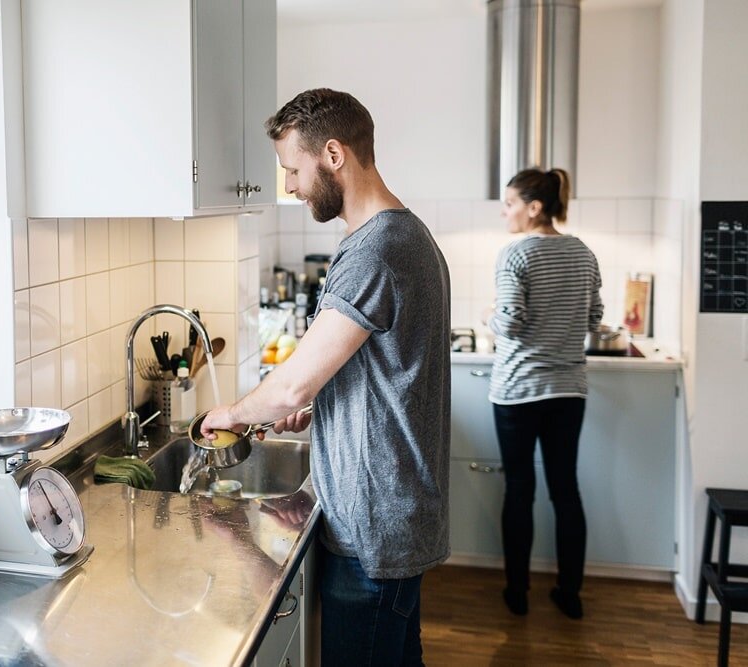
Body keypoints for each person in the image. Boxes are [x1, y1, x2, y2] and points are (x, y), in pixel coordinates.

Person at [200, 88, 451, 665]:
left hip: (374, 528)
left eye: (293, 168)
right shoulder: (398, 234)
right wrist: (328, 409)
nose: (288, 185)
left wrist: (232, 414)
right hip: (384, 515)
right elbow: (386, 373)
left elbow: (292, 384)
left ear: (333, 154)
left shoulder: (376, 250)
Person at [486, 168, 604, 620]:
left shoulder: (516, 255)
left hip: (518, 391)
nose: (504, 212)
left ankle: (518, 593)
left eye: (510, 203)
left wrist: (487, 315)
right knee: (565, 490)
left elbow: (510, 322)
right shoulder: (583, 253)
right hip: (568, 390)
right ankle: (568, 594)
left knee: (519, 489)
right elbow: (594, 319)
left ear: (534, 207)